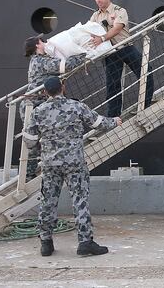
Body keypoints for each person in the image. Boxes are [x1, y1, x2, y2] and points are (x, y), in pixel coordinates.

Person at [23, 76, 121, 257]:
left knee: (48, 202)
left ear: (45, 92)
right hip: (74, 163)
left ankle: (46, 242)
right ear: (63, 87)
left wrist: (43, 150)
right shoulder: (76, 106)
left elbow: (29, 141)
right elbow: (98, 123)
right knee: (80, 200)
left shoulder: (39, 111)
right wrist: (115, 121)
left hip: (50, 164)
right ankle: (85, 242)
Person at [20, 35, 86, 181]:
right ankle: (27, 175)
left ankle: (30, 172)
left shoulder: (38, 60)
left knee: (36, 140)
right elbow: (64, 66)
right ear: (37, 45)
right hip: (34, 105)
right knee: (33, 141)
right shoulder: (41, 61)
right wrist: (82, 55)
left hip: (36, 103)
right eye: (42, 41)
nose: (44, 43)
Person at [88, 0, 154, 117]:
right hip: (110, 54)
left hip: (126, 48)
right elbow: (89, 31)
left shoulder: (119, 11)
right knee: (113, 86)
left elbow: (117, 28)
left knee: (146, 71)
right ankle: (114, 117)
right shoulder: (95, 16)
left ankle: (145, 104)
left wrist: (102, 38)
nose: (98, 0)